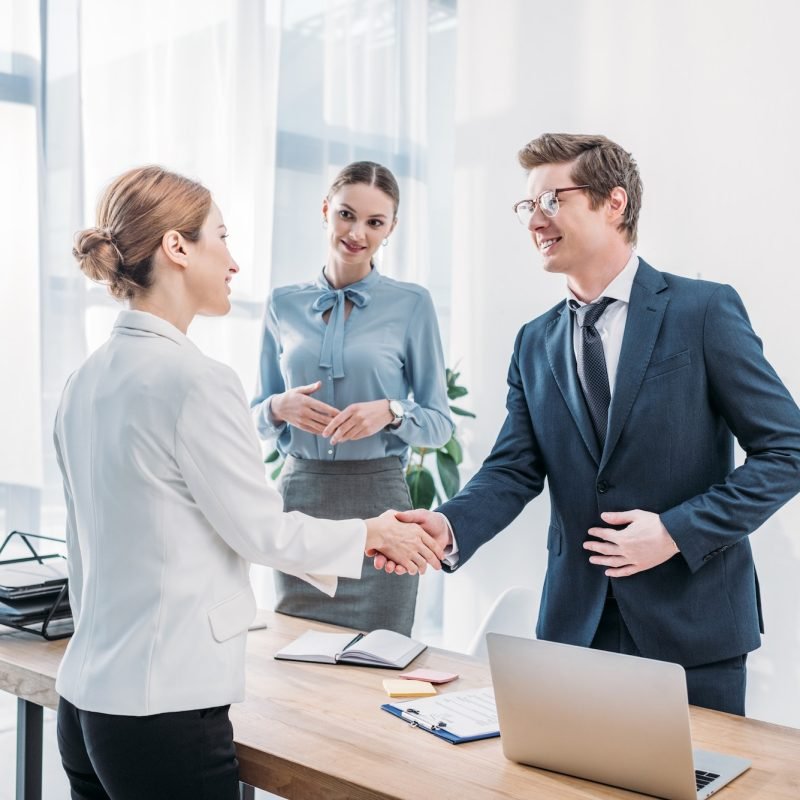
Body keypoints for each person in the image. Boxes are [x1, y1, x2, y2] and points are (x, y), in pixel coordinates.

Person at [54, 165, 443, 800]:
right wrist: (373, 532)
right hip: (165, 708)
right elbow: (262, 531)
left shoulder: (85, 378)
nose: (234, 262)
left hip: (87, 701)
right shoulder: (197, 379)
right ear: (178, 248)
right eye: (222, 236)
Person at [382, 133, 800, 715]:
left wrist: (676, 531)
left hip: (693, 627)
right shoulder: (535, 340)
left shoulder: (703, 311)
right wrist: (448, 526)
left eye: (552, 200)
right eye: (527, 206)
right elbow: (512, 469)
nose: (535, 221)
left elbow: (787, 452)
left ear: (614, 202)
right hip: (575, 627)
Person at [251, 161, 453, 635]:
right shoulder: (282, 303)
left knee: (379, 662)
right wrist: (279, 408)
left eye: (375, 222)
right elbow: (253, 417)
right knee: (296, 660)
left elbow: (439, 422)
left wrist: (391, 411)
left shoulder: (412, 304)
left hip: (380, 500)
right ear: (325, 210)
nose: (357, 232)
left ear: (391, 228)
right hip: (301, 502)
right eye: (346, 214)